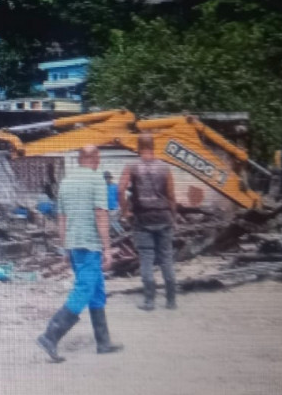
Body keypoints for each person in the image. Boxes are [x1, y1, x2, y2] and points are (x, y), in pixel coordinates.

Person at [37, 145, 123, 363]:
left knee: (96, 291)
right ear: (93, 158)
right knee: (83, 291)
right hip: (90, 245)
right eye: (98, 158)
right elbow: (101, 215)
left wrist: (65, 247)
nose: (98, 162)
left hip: (74, 245)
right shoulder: (97, 180)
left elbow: (61, 218)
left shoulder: (66, 182)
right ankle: (50, 336)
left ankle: (103, 342)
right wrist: (107, 248)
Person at [119, 133, 178, 311]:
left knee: (146, 260)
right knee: (166, 259)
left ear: (138, 147)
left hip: (142, 219)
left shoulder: (132, 167)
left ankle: (149, 301)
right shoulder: (165, 168)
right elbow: (171, 195)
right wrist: (173, 216)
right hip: (164, 217)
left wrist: (125, 211)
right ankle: (171, 301)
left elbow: (120, 189)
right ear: (154, 147)